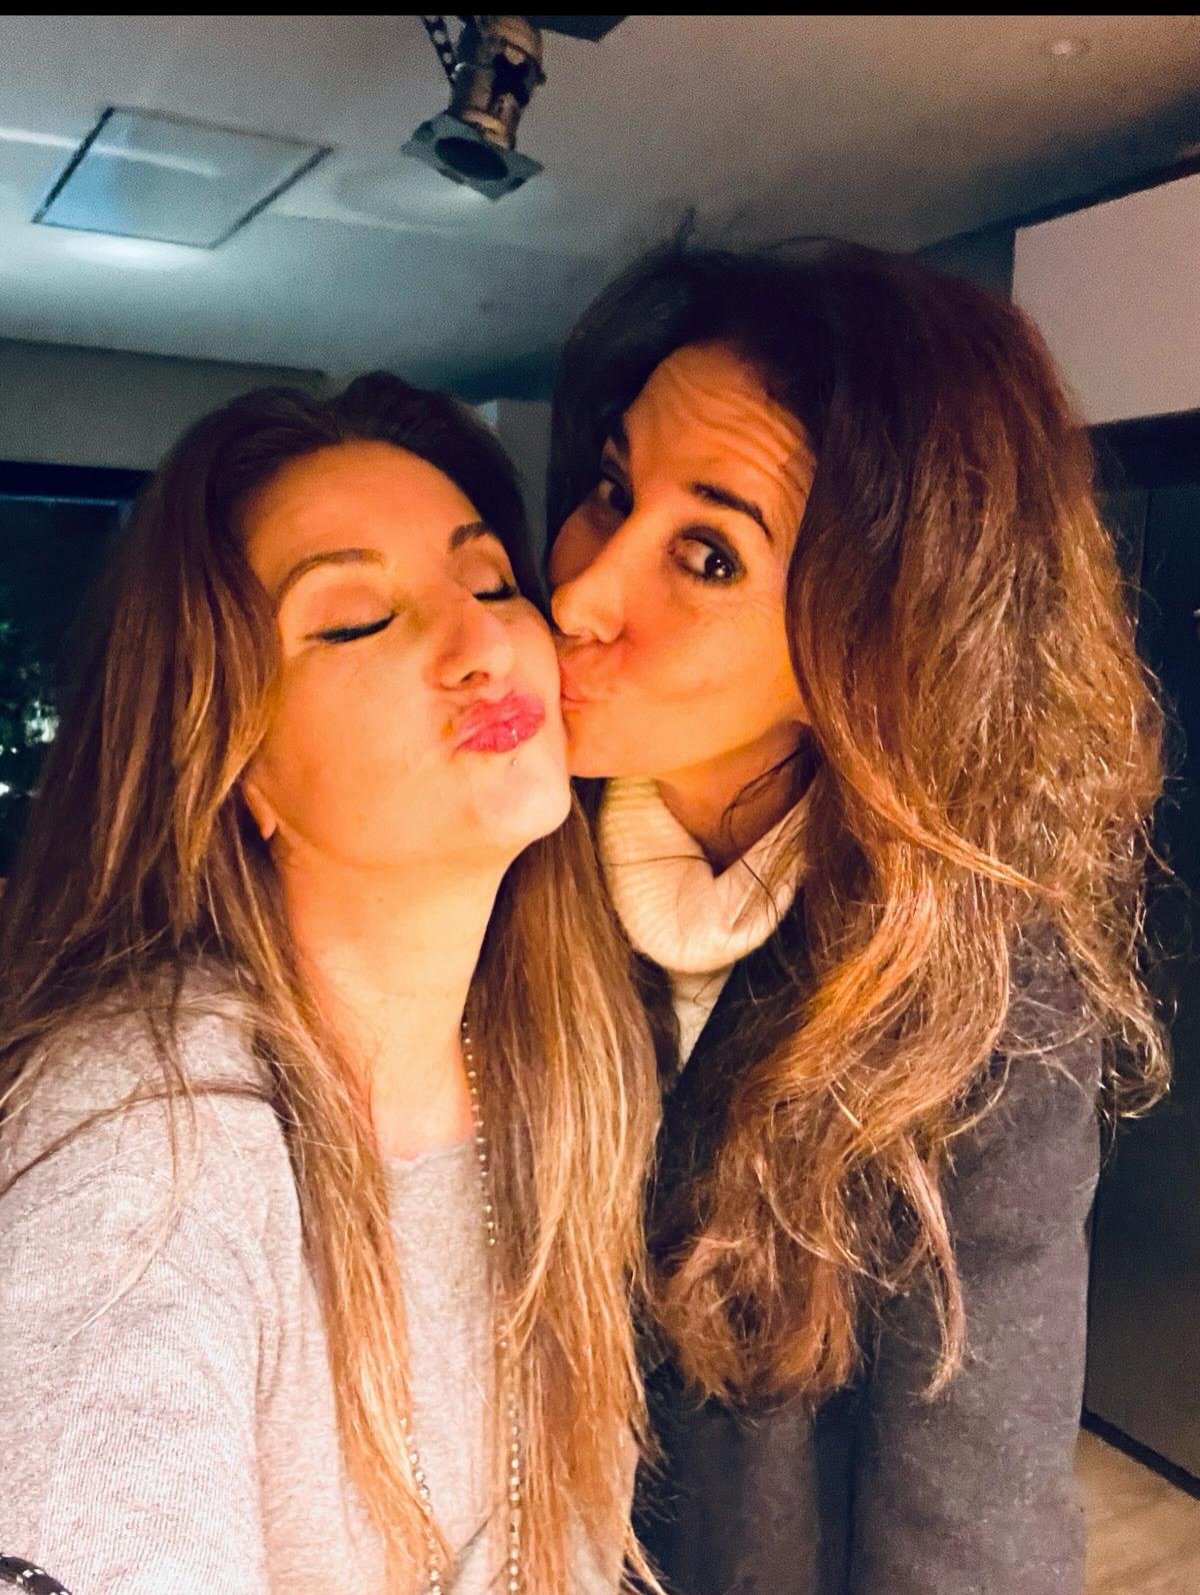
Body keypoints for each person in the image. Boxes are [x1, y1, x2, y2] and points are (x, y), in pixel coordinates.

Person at [546, 240, 1168, 1595]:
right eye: (611, 491)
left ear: (877, 637)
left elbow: (975, 1513)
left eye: (706, 552)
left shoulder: (976, 995)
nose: (579, 592)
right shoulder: (508, 854)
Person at [0, 373, 660, 1595]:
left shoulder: (567, 1071)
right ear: (233, 758)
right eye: (355, 621)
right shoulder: (150, 1123)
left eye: (492, 582)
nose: (482, 644)